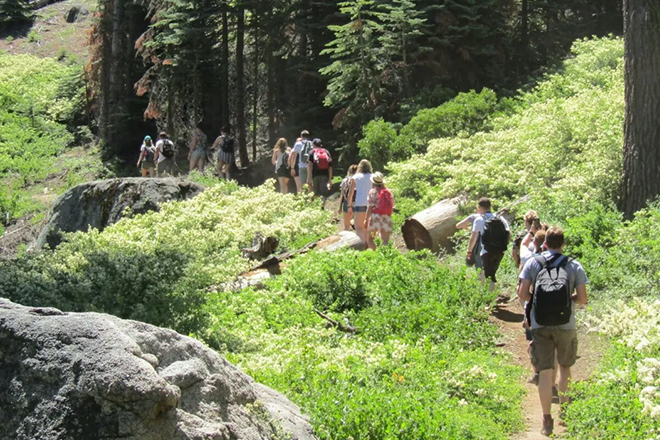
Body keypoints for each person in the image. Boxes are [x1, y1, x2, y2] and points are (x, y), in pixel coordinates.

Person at [518, 227, 589, 436]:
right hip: (565, 323)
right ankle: (565, 412)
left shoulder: (533, 262)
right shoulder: (573, 264)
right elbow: (583, 298)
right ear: (563, 244)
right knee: (565, 367)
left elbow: (523, 293)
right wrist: (568, 300)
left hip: (540, 324)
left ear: (545, 243)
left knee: (546, 371)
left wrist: (539, 304)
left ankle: (547, 418)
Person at [466, 197, 510, 291]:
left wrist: (469, 251)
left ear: (480, 207)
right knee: (491, 273)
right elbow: (509, 233)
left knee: (489, 276)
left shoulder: (479, 220)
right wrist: (503, 244)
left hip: (486, 251)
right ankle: (489, 296)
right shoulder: (500, 218)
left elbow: (473, 238)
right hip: (499, 251)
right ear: (490, 206)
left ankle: (489, 300)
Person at [364, 172, 394, 249]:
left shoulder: (373, 192)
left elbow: (370, 207)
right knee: (385, 240)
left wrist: (366, 219)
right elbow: (391, 205)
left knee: (371, 238)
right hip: (386, 216)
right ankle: (385, 254)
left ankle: (375, 254)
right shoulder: (388, 191)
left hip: (375, 216)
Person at [347, 160, 373, 243]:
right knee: (368, 227)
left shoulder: (356, 177)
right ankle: (370, 245)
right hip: (371, 205)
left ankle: (365, 244)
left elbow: (350, 193)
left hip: (360, 204)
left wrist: (349, 206)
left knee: (358, 227)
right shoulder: (373, 177)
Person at [306, 138, 333, 209]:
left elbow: (309, 166)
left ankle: (316, 208)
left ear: (313, 145)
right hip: (325, 175)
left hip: (315, 175)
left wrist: (309, 178)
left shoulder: (311, 152)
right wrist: (330, 179)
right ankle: (322, 207)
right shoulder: (326, 152)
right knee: (323, 193)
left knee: (315, 192)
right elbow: (330, 167)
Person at [338, 165, 358, 231]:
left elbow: (342, 195)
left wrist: (340, 207)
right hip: (357, 202)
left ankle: (346, 240)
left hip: (346, 202)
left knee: (346, 227)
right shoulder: (359, 179)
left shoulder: (345, 180)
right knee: (359, 226)